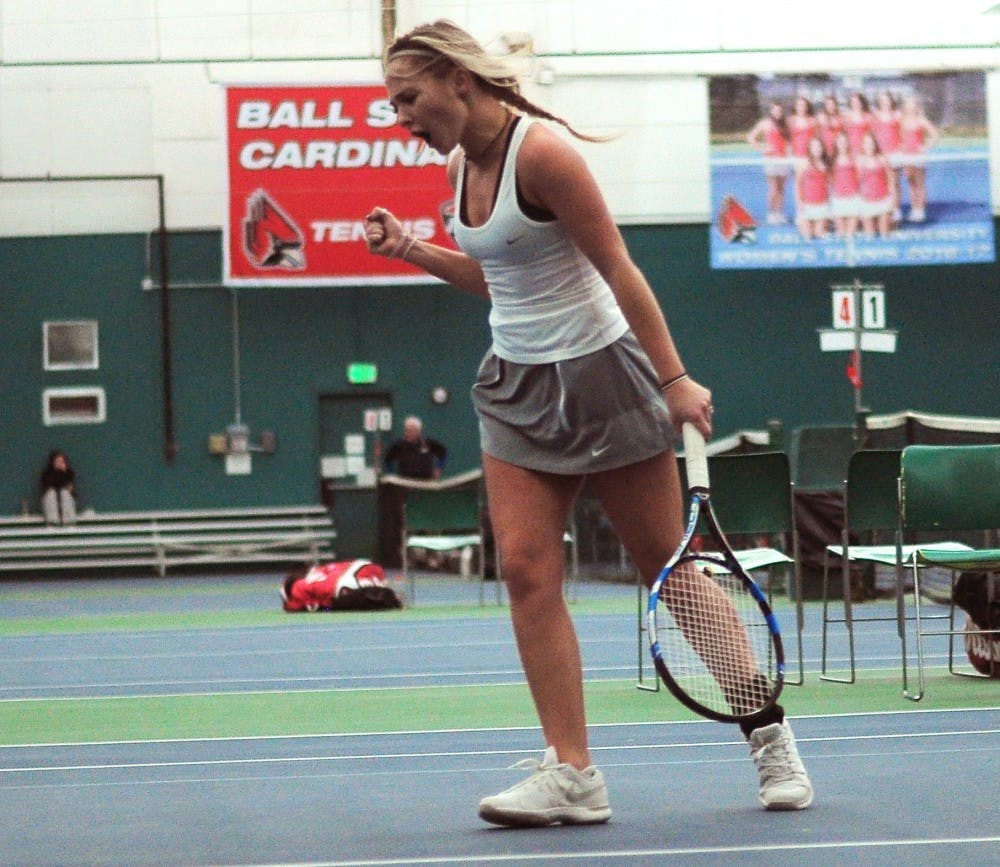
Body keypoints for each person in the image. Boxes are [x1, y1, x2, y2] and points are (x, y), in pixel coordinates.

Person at [364, 19, 813, 827]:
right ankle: (572, 772)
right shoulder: (461, 163)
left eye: (408, 97)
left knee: (668, 567)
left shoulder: (545, 156)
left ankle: (767, 731)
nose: (401, 116)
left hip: (605, 379)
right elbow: (502, 278)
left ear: (458, 81)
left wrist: (674, 380)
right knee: (528, 571)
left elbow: (619, 268)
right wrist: (413, 249)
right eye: (393, 102)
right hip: (513, 387)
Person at [746, 101, 790, 225]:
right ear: (771, 111)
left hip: (784, 160)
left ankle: (779, 214)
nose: (777, 113)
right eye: (775, 110)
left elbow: (788, 140)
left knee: (781, 188)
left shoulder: (785, 124)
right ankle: (771, 213)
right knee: (773, 188)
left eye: (779, 111)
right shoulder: (765, 123)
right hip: (770, 160)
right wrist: (763, 148)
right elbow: (750, 137)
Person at [898, 94, 939, 223]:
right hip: (905, 156)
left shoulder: (921, 120)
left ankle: (920, 210)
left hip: (918, 156)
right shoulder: (901, 120)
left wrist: (925, 147)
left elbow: (935, 135)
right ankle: (914, 209)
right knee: (910, 183)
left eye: (913, 105)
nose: (910, 108)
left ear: (916, 107)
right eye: (908, 105)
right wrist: (901, 145)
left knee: (919, 183)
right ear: (905, 107)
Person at [383, 415, 447, 480]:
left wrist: (438, 469)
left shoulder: (428, 443)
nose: (407, 433)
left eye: (411, 431)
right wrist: (393, 474)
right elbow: (388, 460)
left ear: (418, 431)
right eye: (406, 430)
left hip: (426, 482)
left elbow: (443, 453)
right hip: (406, 482)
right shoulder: (398, 445)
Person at [40, 450, 77, 525]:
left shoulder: (69, 474)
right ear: (53, 463)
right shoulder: (46, 474)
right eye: (57, 461)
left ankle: (68, 522)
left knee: (65, 493)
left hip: (66, 504)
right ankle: (53, 522)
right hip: (51, 504)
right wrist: (58, 473)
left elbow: (70, 489)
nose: (60, 464)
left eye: (62, 461)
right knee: (51, 493)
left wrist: (64, 473)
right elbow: (51, 484)